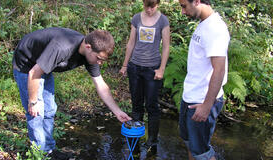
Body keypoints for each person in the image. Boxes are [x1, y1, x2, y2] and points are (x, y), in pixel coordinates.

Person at [12, 27, 132, 154]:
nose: (99, 63)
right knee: (36, 113)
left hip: (43, 64)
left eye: (102, 60)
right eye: (99, 59)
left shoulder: (90, 55)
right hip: (27, 65)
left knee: (50, 109)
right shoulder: (62, 48)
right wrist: (32, 102)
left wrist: (117, 112)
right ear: (88, 47)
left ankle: (49, 150)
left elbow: (101, 85)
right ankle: (39, 154)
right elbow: (34, 73)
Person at [178, 0, 230, 159]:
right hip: (190, 97)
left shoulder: (215, 28)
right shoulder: (204, 24)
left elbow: (219, 69)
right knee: (190, 144)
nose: (182, 11)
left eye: (184, 6)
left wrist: (207, 106)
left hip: (202, 101)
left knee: (202, 153)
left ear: (197, 1)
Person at [119, 0, 170, 157]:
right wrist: (124, 65)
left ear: (158, 4)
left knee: (152, 106)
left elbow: (167, 46)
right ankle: (135, 141)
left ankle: (152, 141)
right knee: (136, 105)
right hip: (135, 67)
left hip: (152, 69)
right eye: (147, 6)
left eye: (152, 6)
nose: (149, 10)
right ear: (143, 3)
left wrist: (161, 69)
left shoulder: (163, 21)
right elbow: (131, 43)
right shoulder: (136, 18)